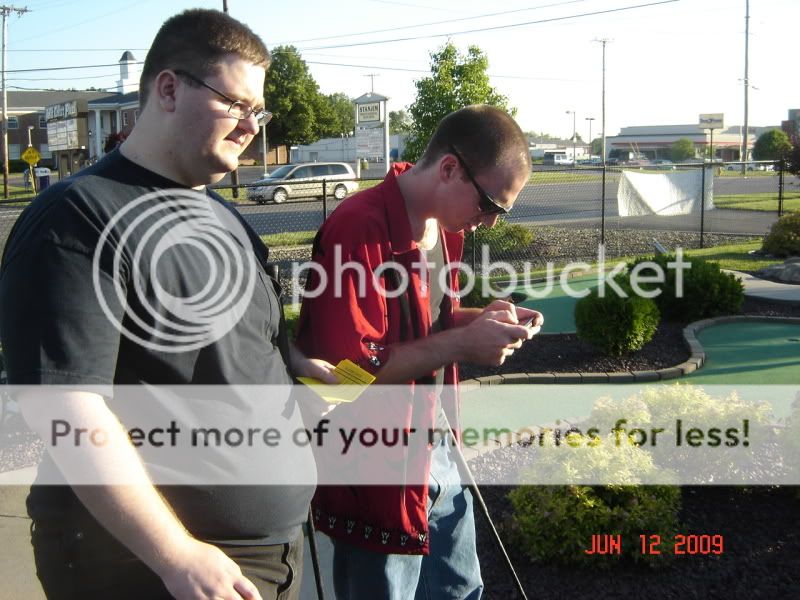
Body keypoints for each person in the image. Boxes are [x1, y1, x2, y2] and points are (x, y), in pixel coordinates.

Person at [0, 9, 335, 600]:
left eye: (259, 111)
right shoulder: (79, 217)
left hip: (266, 554)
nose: (251, 126)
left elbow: (237, 353)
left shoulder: (225, 218)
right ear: (170, 89)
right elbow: (66, 410)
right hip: (151, 569)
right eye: (237, 104)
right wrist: (176, 554)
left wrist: (298, 381)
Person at [295, 104, 543, 599]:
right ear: (450, 169)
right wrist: (464, 343)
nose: (491, 222)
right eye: (490, 204)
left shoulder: (442, 226)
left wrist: (482, 320)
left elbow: (422, 325)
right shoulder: (359, 226)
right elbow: (346, 373)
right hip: (376, 471)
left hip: (436, 445)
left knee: (461, 590)